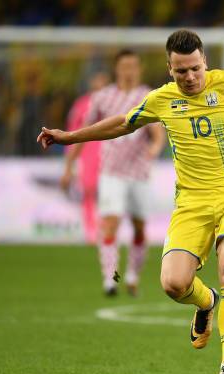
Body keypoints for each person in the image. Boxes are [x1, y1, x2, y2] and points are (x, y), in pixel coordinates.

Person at [38, 29, 224, 374]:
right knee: (173, 284)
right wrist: (69, 137)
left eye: (195, 69)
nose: (189, 77)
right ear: (170, 69)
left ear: (205, 63)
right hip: (190, 203)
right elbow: (122, 123)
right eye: (181, 71)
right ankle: (207, 302)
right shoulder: (161, 99)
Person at [60, 50, 165, 298]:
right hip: (111, 172)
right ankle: (110, 278)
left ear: (139, 69)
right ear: (117, 69)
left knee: (139, 227)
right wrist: (69, 167)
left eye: (133, 66)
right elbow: (84, 133)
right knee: (110, 223)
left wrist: (154, 147)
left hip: (139, 172)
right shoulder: (102, 97)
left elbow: (158, 131)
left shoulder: (148, 96)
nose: (129, 71)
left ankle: (132, 276)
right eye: (124, 66)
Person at [62, 71, 110, 244]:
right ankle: (91, 230)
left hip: (109, 150)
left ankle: (106, 230)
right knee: (89, 190)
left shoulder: (113, 102)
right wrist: (70, 161)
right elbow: (72, 131)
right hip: (88, 150)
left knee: (108, 193)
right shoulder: (81, 105)